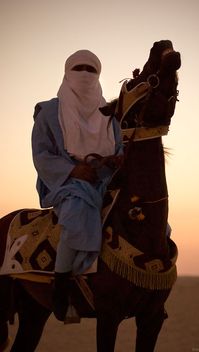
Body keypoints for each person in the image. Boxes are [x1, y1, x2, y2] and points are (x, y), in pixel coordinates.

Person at [32, 50, 123, 321]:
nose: (84, 74)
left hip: (106, 178)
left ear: (98, 76)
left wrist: (116, 160)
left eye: (91, 69)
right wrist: (74, 169)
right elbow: (42, 154)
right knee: (76, 211)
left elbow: (120, 148)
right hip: (68, 181)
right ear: (67, 73)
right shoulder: (49, 111)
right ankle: (61, 286)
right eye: (78, 68)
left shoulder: (111, 114)